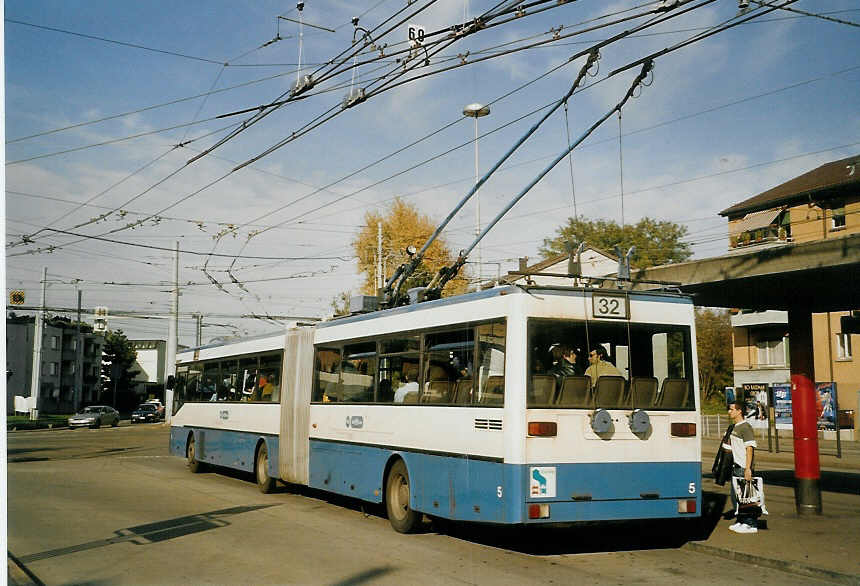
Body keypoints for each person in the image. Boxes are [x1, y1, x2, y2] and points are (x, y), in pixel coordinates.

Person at [726, 400, 758, 534]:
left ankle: (750, 524)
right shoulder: (735, 427)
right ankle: (741, 520)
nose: (729, 411)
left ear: (739, 411)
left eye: (732, 409)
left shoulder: (745, 427)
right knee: (737, 496)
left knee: (746, 496)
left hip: (743, 466)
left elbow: (749, 448)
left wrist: (748, 468)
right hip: (736, 466)